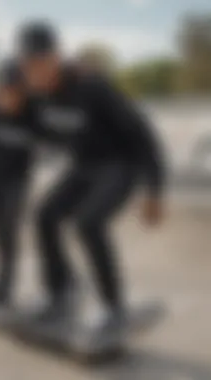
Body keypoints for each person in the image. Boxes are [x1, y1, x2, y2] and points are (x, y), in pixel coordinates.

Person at [15, 21, 165, 329]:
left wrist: (154, 190)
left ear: (55, 58)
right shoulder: (34, 96)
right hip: (83, 167)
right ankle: (61, 292)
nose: (35, 73)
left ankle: (113, 306)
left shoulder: (91, 86)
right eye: (28, 66)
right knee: (45, 215)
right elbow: (40, 133)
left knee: (88, 223)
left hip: (119, 165)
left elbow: (142, 134)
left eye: (40, 64)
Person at [0, 60, 38, 307]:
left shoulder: (34, 115)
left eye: (13, 92)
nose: (7, 98)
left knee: (9, 230)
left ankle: (6, 285)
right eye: (2, 92)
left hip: (17, 182)